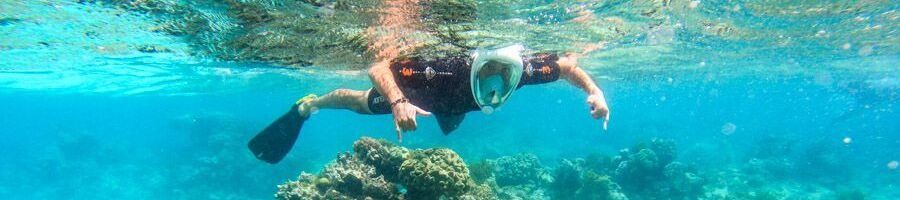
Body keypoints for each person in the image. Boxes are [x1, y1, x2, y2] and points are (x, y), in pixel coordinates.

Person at [295, 44, 610, 142]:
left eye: (505, 72)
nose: (497, 80)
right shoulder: (446, 68)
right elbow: (378, 67)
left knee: (450, 126)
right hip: (421, 97)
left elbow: (566, 66)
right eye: (490, 68)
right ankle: (312, 104)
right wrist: (399, 101)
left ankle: (447, 117)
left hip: (457, 108)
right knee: (359, 102)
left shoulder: (521, 73)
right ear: (476, 64)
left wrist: (595, 91)